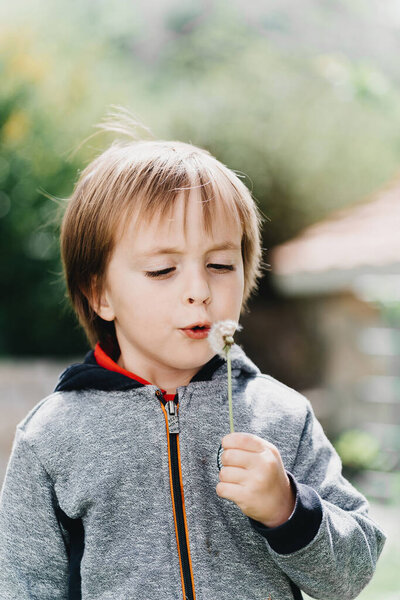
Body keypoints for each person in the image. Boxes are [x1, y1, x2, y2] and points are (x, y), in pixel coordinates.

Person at [0, 121, 385, 600]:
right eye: (163, 269)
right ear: (100, 293)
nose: (200, 291)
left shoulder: (281, 416)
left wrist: (288, 509)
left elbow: (352, 573)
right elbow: (23, 587)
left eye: (220, 265)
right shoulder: (52, 438)